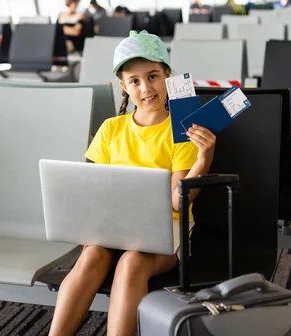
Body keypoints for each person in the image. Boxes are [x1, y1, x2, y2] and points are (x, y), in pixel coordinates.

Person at [48, 30, 216, 336]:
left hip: (167, 233)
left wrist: (203, 159)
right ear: (123, 86)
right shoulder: (111, 129)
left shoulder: (183, 133)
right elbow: (92, 191)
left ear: (168, 76)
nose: (146, 88)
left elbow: (179, 203)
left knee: (132, 262)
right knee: (91, 255)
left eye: (153, 76)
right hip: (113, 229)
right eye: (135, 81)